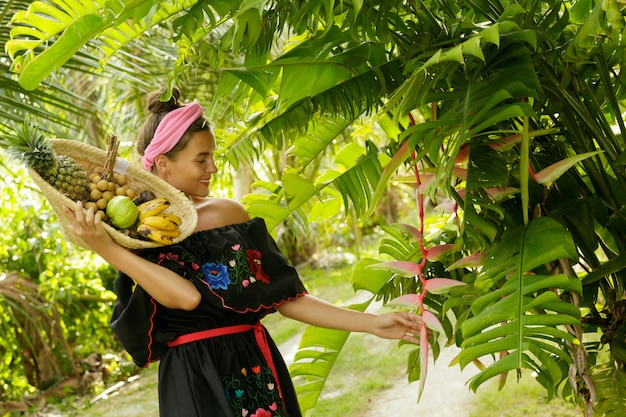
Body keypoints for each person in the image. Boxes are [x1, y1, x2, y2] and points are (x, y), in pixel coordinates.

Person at [64, 87, 421, 417]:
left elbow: (286, 297)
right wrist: (108, 248)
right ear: (162, 164)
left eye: (213, 157)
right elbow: (185, 299)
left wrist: (371, 324)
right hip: (192, 376)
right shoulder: (135, 234)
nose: (213, 168)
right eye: (201, 159)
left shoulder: (228, 215)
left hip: (252, 363)